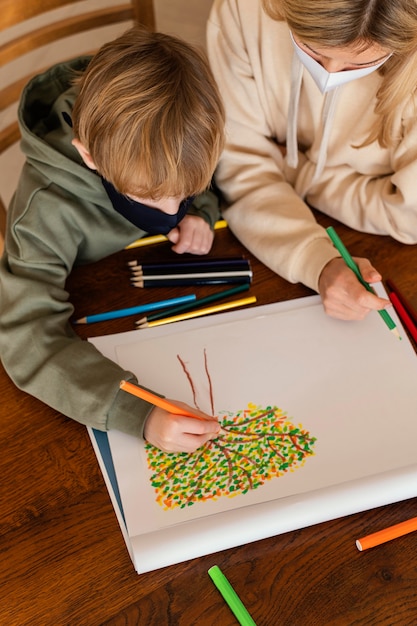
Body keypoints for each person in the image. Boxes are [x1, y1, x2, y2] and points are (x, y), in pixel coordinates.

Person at [0, 27, 226, 453]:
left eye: (184, 191)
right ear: (88, 155)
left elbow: (202, 186)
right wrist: (139, 414)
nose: (170, 209)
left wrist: (201, 211)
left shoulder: (180, 132)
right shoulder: (42, 214)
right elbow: (27, 339)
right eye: (148, 195)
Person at [207, 0, 417, 321]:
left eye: (357, 65)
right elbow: (239, 165)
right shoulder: (244, 9)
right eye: (310, 49)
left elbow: (409, 215)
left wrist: (296, 171)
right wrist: (317, 262)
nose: (328, 73)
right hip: (312, 229)